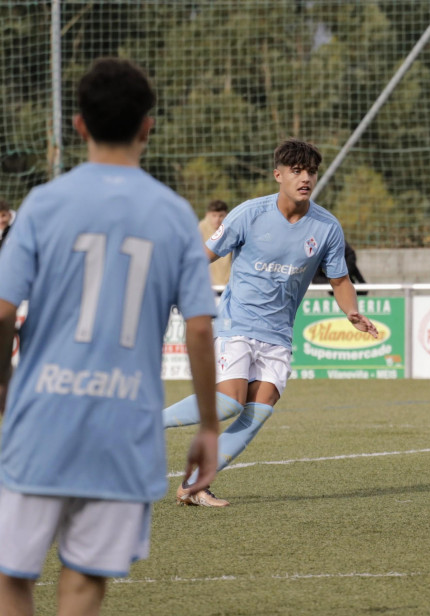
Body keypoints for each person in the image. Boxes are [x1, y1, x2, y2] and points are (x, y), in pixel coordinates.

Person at [0, 58, 219, 616]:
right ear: (148, 125)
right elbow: (198, 326)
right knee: (83, 582)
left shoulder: (43, 205)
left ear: (78, 125)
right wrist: (211, 426)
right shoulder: (174, 216)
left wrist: (4, 390)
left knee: (11, 576)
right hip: (125, 426)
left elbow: (1, 312)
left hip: (42, 414)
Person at [162, 137, 379, 507]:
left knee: (257, 412)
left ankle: (195, 487)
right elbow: (204, 255)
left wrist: (350, 312)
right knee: (230, 403)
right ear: (278, 175)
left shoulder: (326, 227)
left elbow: (340, 280)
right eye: (296, 171)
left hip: (278, 335)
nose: (305, 177)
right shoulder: (250, 213)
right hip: (236, 324)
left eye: (310, 171)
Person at [198, 199, 232, 287]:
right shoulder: (200, 229)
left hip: (229, 284)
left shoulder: (232, 229)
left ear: (227, 215)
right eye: (214, 215)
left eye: (221, 216)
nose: (217, 219)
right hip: (208, 285)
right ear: (207, 215)